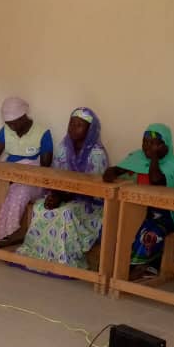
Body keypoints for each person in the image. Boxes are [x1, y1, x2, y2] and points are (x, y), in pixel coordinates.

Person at [16, 107, 108, 269]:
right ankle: (39, 254)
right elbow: (56, 177)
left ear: (89, 130)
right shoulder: (63, 148)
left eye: (79, 125)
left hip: (90, 203)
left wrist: (62, 198)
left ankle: (62, 259)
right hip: (63, 195)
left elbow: (93, 189)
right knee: (40, 206)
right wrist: (54, 195)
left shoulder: (97, 154)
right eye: (71, 123)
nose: (73, 128)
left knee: (65, 212)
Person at [103, 123, 174, 278]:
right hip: (139, 210)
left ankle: (141, 266)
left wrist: (154, 158)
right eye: (145, 141)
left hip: (166, 216)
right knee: (119, 224)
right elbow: (109, 174)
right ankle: (121, 266)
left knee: (149, 234)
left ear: (165, 145)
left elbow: (156, 180)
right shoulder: (137, 158)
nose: (147, 146)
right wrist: (116, 171)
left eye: (153, 143)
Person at [0, 96, 53, 248]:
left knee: (19, 191)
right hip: (9, 176)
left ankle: (6, 233)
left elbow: (45, 167)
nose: (11, 126)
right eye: (8, 123)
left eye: (13, 122)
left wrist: (21, 174)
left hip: (33, 182)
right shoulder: (6, 131)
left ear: (23, 116)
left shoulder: (43, 133)